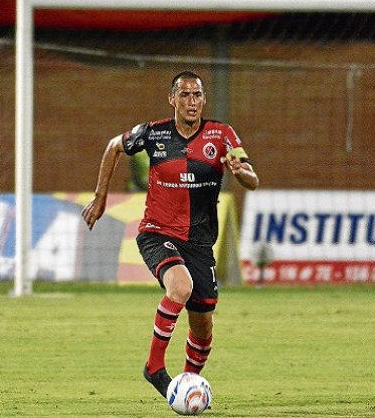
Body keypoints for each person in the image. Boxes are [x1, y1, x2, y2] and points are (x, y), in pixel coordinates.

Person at [81, 71, 259, 398]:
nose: (192, 102)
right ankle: (154, 367)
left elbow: (252, 178)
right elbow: (113, 147)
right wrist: (101, 196)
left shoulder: (222, 135)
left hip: (200, 242)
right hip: (157, 232)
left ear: (204, 100)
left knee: (203, 327)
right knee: (180, 286)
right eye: (185, 95)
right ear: (172, 99)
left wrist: (241, 172)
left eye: (198, 95)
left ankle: (187, 384)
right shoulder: (153, 133)